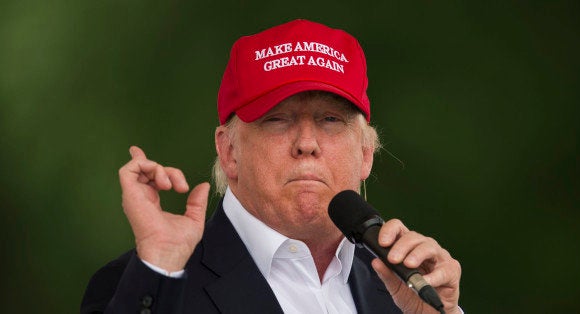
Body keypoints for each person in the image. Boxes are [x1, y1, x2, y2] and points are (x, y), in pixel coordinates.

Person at [81, 19, 462, 314]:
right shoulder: (149, 284)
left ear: (365, 154)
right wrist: (159, 271)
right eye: (277, 119)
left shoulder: (401, 289)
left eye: (330, 119)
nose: (307, 144)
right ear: (229, 151)